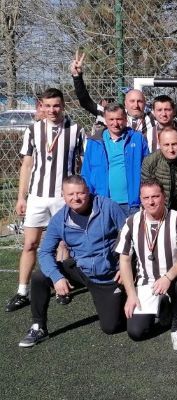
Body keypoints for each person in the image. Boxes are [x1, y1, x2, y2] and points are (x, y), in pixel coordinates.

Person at [18, 176, 126, 347]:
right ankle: (38, 326)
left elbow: (131, 234)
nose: (76, 198)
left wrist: (124, 267)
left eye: (80, 193)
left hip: (109, 275)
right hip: (81, 269)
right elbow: (45, 252)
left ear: (88, 192)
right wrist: (56, 277)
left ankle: (125, 299)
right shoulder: (59, 219)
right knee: (40, 277)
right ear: (63, 195)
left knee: (111, 327)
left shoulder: (108, 206)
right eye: (70, 194)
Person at [7, 88, 85, 312]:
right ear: (41, 106)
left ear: (63, 106)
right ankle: (22, 290)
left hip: (64, 198)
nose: (52, 110)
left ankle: (60, 285)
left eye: (57, 105)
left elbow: (82, 162)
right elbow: (27, 165)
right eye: (48, 105)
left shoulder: (76, 130)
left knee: (63, 244)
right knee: (30, 243)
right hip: (38, 197)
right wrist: (21, 197)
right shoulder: (32, 130)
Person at [116, 180, 177, 350]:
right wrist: (131, 295)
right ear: (141, 200)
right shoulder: (131, 222)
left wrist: (167, 277)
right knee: (136, 333)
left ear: (163, 197)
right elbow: (125, 260)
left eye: (155, 196)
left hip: (172, 278)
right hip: (146, 282)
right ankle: (163, 307)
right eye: (146, 198)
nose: (151, 202)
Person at [70, 50, 177, 150]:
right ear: (125, 103)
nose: (136, 105)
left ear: (145, 103)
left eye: (139, 101)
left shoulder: (153, 117)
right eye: (132, 101)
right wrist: (77, 77)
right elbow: (86, 102)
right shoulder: (113, 116)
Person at [82, 103, 150, 216]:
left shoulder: (137, 138)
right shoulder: (94, 142)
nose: (115, 123)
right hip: (102, 203)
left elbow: (148, 168)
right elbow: (86, 173)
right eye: (111, 119)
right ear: (105, 120)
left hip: (132, 204)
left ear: (125, 119)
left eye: (119, 119)